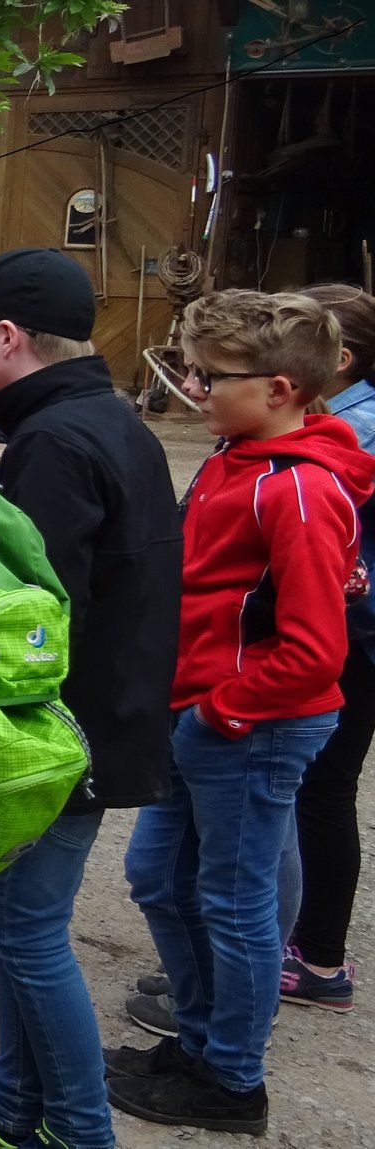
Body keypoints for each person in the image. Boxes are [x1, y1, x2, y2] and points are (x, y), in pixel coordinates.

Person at [0, 249, 182, 1149]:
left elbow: (24, 627)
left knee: (26, 930)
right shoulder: (107, 419)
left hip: (64, 741)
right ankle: (17, 1116)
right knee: (15, 921)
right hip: (105, 726)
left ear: (8, 337)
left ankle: (79, 1131)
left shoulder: (57, 444)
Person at [107, 290, 374, 1136]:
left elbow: (312, 649)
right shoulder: (238, 456)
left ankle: (230, 1078)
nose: (194, 386)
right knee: (159, 875)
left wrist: (221, 710)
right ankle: (202, 1040)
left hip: (249, 723)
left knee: (235, 900)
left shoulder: (296, 490)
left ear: (285, 389)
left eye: (212, 375)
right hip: (209, 712)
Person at [278, 282, 375, 1011]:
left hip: (358, 632)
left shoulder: (356, 427)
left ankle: (316, 956)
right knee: (320, 788)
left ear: (337, 358)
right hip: (352, 622)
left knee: (321, 788)